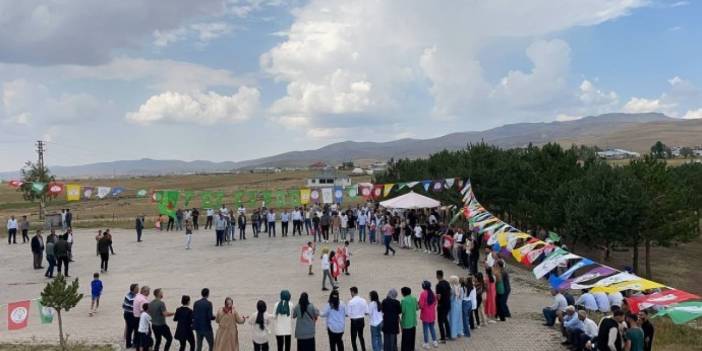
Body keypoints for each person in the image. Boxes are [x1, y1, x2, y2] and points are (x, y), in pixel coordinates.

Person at [347, 287, 368, 351]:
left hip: (354, 321)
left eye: (351, 292)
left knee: (353, 338)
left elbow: (348, 313)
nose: (350, 294)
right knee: (361, 336)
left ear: (353, 292)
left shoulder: (350, 302)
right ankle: (363, 349)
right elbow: (366, 312)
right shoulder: (363, 300)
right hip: (361, 320)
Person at [418, 281, 438, 349]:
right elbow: (435, 303)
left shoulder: (423, 294)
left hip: (425, 314)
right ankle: (435, 341)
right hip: (432, 314)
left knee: (425, 329)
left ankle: (426, 343)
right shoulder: (433, 293)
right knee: (432, 328)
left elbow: (421, 305)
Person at [434, 270, 451, 343]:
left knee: (440, 321)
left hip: (441, 305)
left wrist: (435, 296)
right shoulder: (447, 283)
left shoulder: (438, 285)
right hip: (448, 304)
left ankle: (443, 338)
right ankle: (448, 334)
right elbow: (450, 293)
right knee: (445, 319)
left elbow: (439, 297)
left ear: (438, 275)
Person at [399, 287, 418, 351]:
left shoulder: (403, 300)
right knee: (412, 337)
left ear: (403, 293)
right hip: (413, 322)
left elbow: (402, 311)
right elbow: (417, 308)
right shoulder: (414, 298)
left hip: (406, 322)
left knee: (405, 339)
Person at [124, 284, 140, 349]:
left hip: (127, 314)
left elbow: (123, 306)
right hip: (131, 315)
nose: (138, 289)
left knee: (129, 330)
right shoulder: (133, 298)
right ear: (134, 289)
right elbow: (134, 308)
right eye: (137, 288)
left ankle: (128, 344)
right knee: (135, 329)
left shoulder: (128, 295)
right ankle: (134, 343)